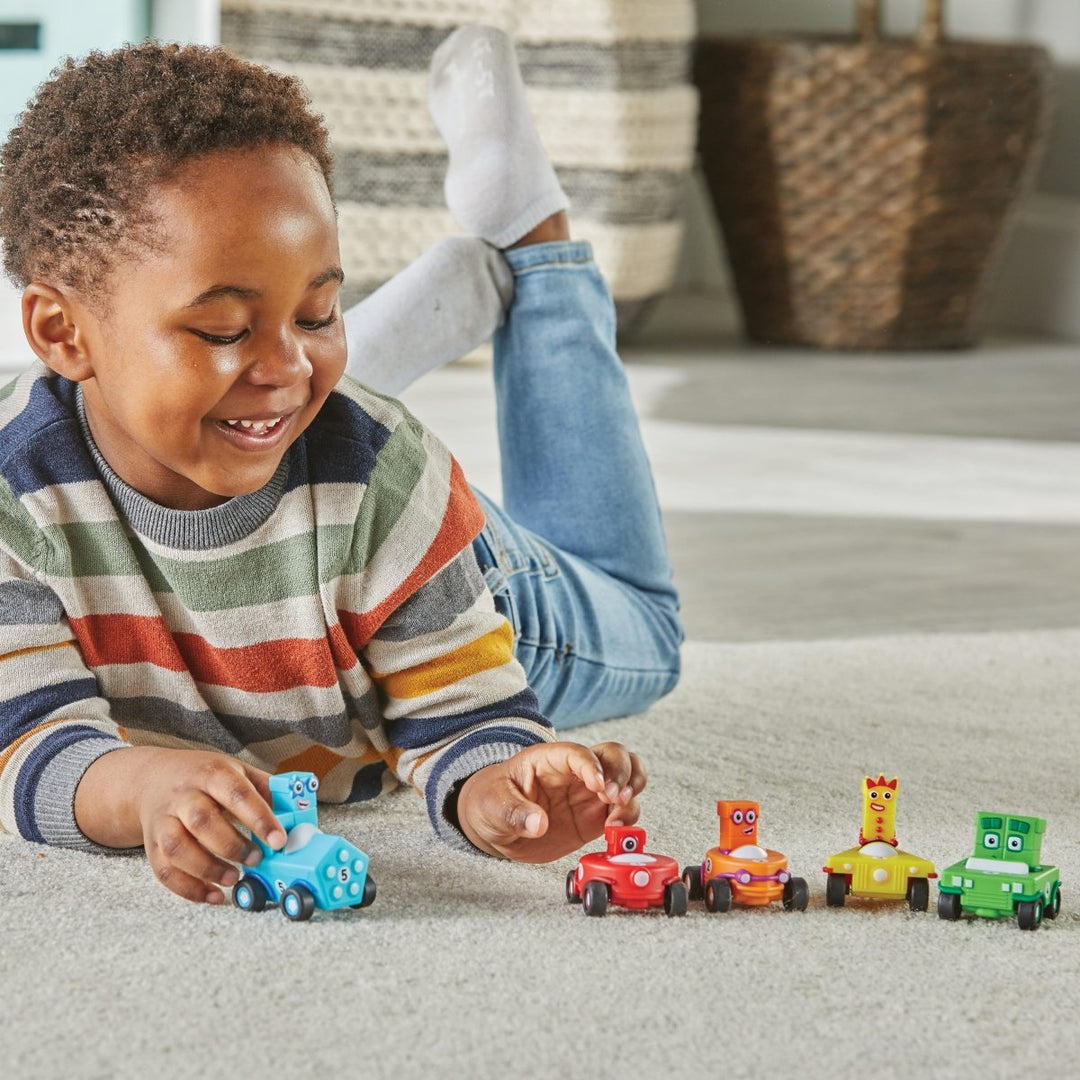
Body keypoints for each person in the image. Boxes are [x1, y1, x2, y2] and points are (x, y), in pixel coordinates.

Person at [0, 27, 682, 905]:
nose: (287, 362)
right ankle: (302, 394)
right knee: (292, 404)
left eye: (318, 313)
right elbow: (29, 743)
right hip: (309, 511)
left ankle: (536, 243)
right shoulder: (16, 499)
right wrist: (148, 789)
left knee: (649, 635)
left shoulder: (390, 478)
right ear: (62, 333)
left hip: (435, 589)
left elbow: (466, 722)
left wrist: (502, 797)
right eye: (222, 328)